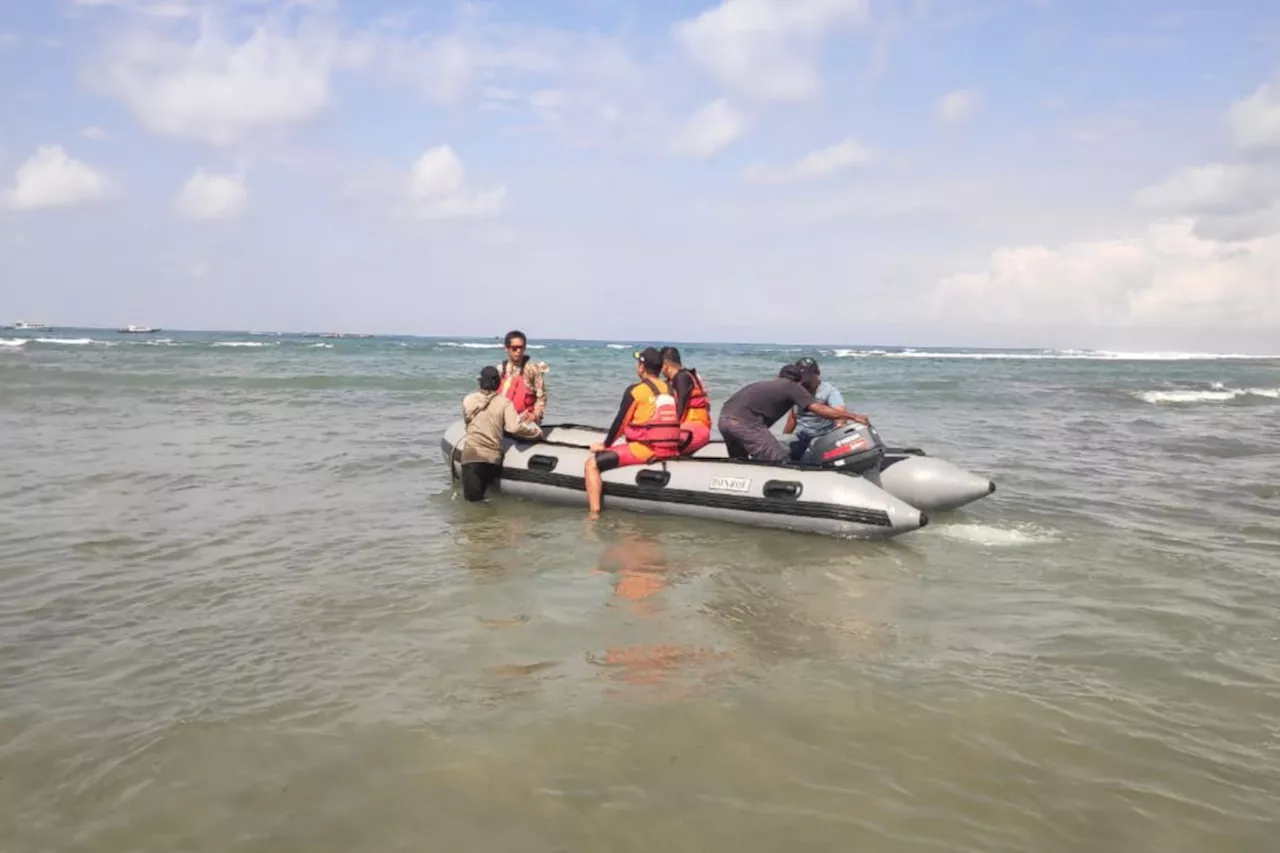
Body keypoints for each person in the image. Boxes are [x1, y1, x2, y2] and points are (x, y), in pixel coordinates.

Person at [584, 347, 684, 516]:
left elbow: (620, 423)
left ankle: (594, 515)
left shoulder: (636, 391)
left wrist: (605, 445)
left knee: (591, 465)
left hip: (647, 449)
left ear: (642, 368)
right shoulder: (670, 389)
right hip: (672, 448)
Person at [717, 364, 868, 463]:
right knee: (778, 460)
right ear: (799, 382)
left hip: (724, 420)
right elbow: (819, 409)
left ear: (779, 375)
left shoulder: (761, 384)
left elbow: (792, 418)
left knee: (739, 461)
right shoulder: (792, 387)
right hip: (745, 424)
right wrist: (852, 416)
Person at [459, 365, 543, 501]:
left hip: (472, 457)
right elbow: (514, 428)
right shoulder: (505, 403)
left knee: (473, 504)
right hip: (493, 460)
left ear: (480, 381)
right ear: (498, 383)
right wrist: (535, 433)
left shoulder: (468, 400)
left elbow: (468, 422)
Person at [783, 357, 846, 462]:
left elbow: (840, 412)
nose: (806, 379)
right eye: (802, 375)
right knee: (778, 445)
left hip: (822, 436)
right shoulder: (796, 389)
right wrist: (785, 435)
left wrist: (839, 427)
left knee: (808, 457)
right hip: (801, 435)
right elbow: (793, 417)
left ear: (817, 374)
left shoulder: (829, 391)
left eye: (809, 375)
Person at [660, 345, 713, 456]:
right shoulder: (681, 377)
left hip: (695, 428)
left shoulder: (682, 378)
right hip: (692, 427)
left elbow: (680, 410)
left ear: (665, 366)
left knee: (664, 443)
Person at [496, 329, 547, 423]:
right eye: (514, 348)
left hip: (525, 420)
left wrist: (535, 415)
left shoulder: (533, 370)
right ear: (506, 348)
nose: (518, 351)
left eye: (521, 347)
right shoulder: (500, 370)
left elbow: (541, 398)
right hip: (503, 419)